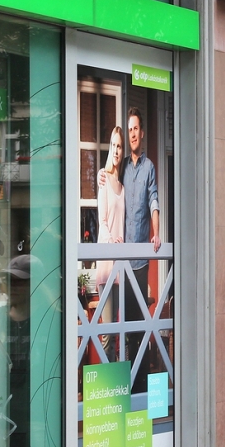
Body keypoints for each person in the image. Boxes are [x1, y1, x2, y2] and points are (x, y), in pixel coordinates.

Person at [102, 107, 161, 320]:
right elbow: (110, 179)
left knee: (138, 322)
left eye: (136, 129)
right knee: (124, 320)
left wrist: (157, 232)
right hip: (122, 259)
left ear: (142, 133)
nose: (133, 134)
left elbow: (154, 200)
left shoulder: (149, 168)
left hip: (140, 261)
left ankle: (141, 354)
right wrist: (102, 175)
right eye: (130, 130)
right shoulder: (124, 165)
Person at [95, 126, 126, 311]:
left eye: (119, 146)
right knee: (107, 333)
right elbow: (103, 221)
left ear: (123, 151)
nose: (116, 150)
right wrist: (112, 241)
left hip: (121, 265)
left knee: (118, 331)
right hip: (107, 263)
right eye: (113, 145)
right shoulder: (103, 178)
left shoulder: (123, 186)